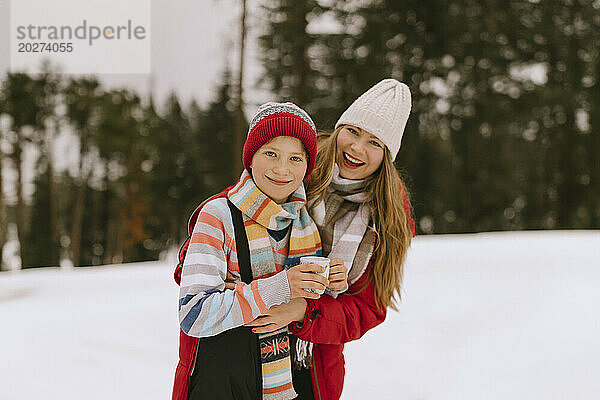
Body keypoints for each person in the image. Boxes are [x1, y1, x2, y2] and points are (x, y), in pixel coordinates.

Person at [243, 79, 416, 400]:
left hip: (312, 362)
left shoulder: (389, 215)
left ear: (388, 155)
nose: (357, 148)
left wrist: (303, 311)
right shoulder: (294, 164)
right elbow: (224, 233)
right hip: (245, 332)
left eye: (375, 143)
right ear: (339, 129)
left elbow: (368, 308)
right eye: (353, 131)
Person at [172, 102, 348, 400]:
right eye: (271, 154)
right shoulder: (218, 215)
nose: (282, 169)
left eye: (295, 158)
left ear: (307, 166)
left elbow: (306, 311)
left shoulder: (305, 223)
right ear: (250, 158)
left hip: (290, 385)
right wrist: (281, 286)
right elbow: (194, 314)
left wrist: (330, 283)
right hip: (221, 385)